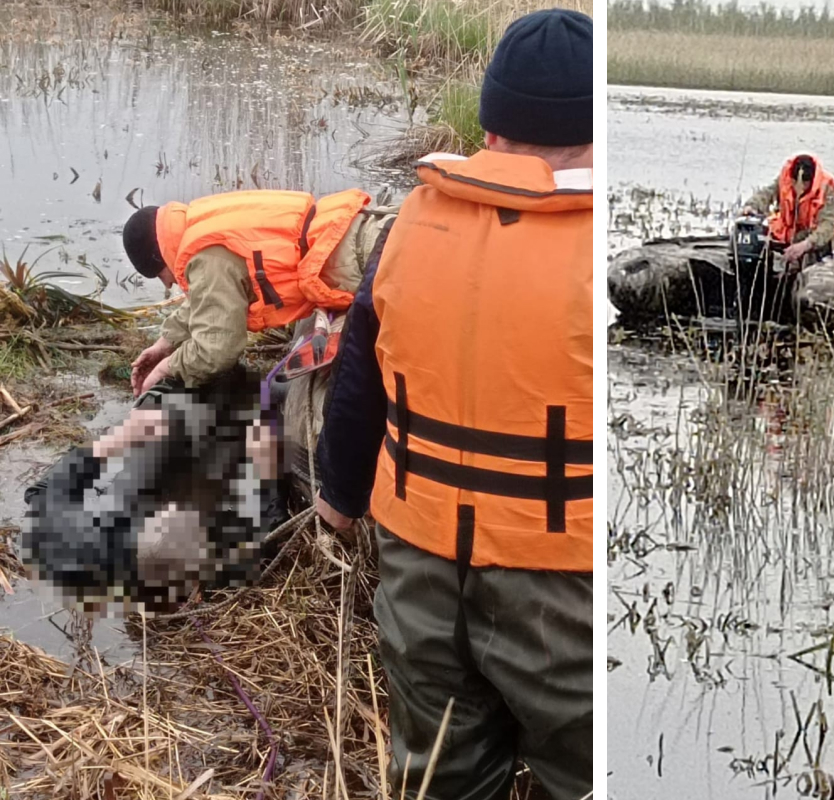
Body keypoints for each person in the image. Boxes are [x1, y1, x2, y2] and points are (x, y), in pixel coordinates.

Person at [313, 8, 593, 799]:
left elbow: (359, 370)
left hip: (419, 568)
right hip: (558, 582)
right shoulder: (594, 245)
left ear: (493, 124)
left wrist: (337, 497)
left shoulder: (415, 220)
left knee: (439, 773)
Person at [22, 366, 279, 614]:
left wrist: (116, 440)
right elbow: (273, 527)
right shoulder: (232, 562)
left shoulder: (92, 545)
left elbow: (39, 493)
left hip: (168, 418)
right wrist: (265, 471)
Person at [121, 188, 393, 395]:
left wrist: (166, 368)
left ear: (159, 256)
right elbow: (208, 298)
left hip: (362, 261)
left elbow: (216, 350)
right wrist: (164, 344)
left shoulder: (206, 258)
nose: (167, 284)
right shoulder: (201, 225)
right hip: (367, 229)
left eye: (159, 275)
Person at [741, 153, 834, 270]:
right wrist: (752, 206)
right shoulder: (786, 178)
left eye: (804, 184)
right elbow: (768, 193)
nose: (798, 187)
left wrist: (805, 245)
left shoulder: (827, 187)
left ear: (811, 181)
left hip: (818, 236)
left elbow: (827, 225)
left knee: (809, 252)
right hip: (789, 232)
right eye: (794, 182)